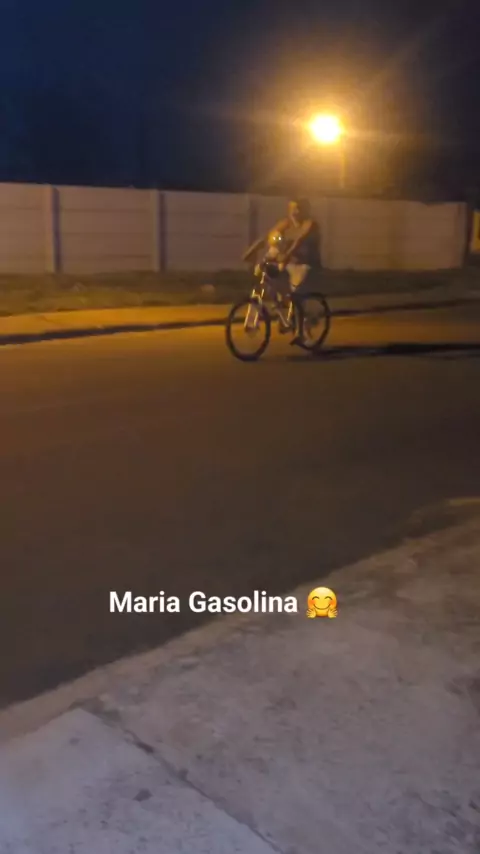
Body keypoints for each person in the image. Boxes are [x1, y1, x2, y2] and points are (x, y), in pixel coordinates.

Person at [242, 198, 322, 343]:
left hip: (306, 266)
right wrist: (251, 251)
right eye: (292, 208)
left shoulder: (310, 224)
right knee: (266, 282)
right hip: (289, 265)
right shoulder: (286, 223)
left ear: (305, 210)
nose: (295, 212)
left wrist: (286, 255)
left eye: (298, 208)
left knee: (296, 295)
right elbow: (267, 237)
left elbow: (299, 241)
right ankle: (259, 321)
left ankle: (299, 332)